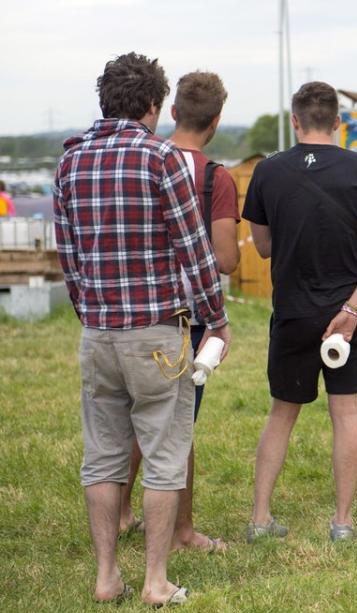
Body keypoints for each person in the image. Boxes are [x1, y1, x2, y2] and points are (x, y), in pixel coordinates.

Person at [54, 52, 230, 606]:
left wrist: (91, 313)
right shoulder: (162, 159)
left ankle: (107, 577)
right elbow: (194, 249)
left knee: (103, 455)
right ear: (154, 106)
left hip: (98, 331)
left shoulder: (69, 160)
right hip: (157, 330)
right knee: (164, 452)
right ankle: (156, 580)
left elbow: (69, 257)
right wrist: (216, 318)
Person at [243, 81, 357, 542]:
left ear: (294, 121)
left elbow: (264, 247)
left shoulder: (267, 172)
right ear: (338, 121)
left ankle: (260, 518)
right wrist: (353, 307)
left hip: (292, 309)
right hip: (346, 314)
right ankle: (343, 523)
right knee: (345, 413)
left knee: (281, 413)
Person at [117, 71, 240, 553]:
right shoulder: (215, 177)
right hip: (190, 313)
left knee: (133, 415)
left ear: (172, 112)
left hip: (135, 305)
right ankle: (181, 531)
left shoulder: (144, 160)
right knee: (176, 424)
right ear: (217, 120)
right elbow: (227, 259)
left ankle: (124, 507)